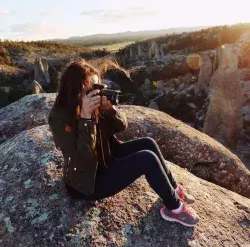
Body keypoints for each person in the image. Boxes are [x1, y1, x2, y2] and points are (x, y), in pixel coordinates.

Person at [48, 59, 199, 227]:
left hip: (106, 159)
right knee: (146, 159)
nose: (98, 93)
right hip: (87, 182)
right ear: (76, 89)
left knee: (148, 143)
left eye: (99, 88)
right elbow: (83, 157)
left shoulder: (93, 104)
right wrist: (85, 119)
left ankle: (173, 190)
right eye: (93, 89)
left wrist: (110, 110)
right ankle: (175, 209)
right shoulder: (59, 118)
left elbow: (121, 127)